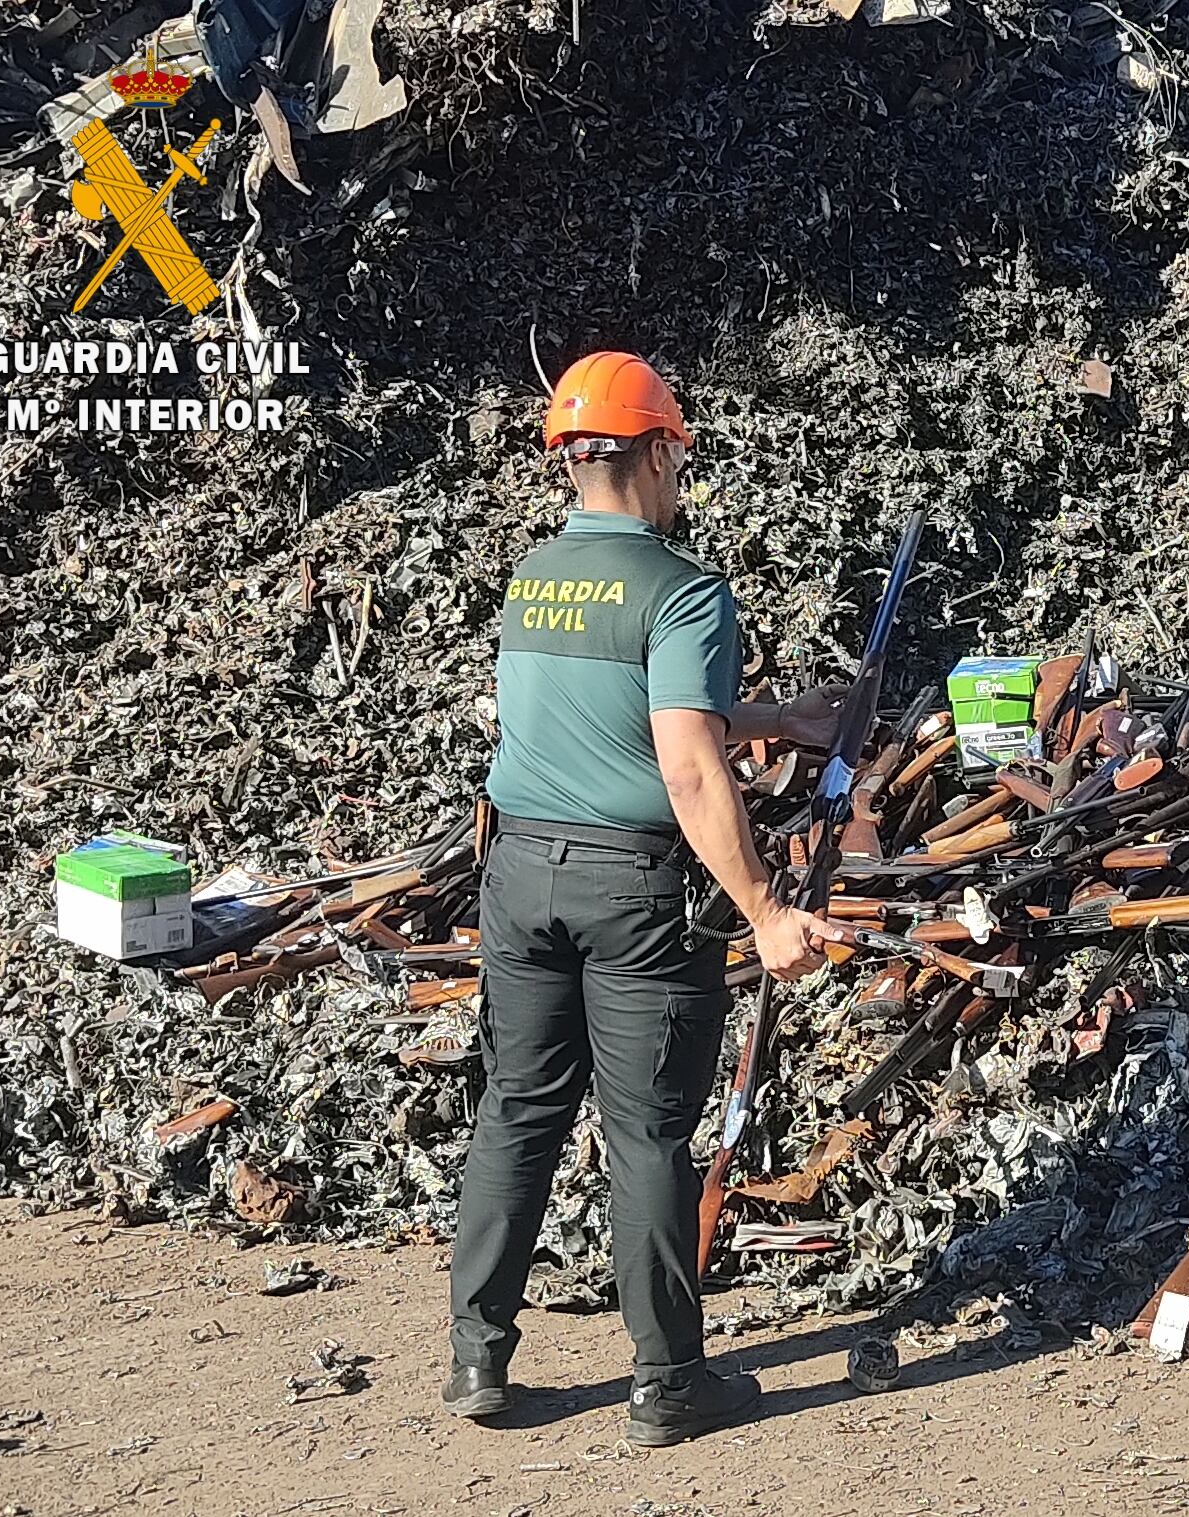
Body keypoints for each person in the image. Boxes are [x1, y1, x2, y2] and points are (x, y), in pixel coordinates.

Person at [443, 350, 851, 1446]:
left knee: (517, 1109)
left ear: (571, 459)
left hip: (519, 872)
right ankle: (667, 1383)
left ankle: (477, 1358)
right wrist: (765, 907)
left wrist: (773, 716)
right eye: (678, 450)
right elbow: (683, 767)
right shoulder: (684, 589)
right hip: (636, 887)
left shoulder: (535, 574)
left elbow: (601, 707)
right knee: (645, 1136)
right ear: (662, 448)